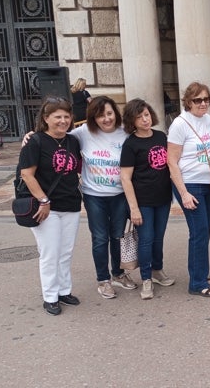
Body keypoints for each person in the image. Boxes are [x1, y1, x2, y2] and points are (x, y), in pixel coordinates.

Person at [18, 97, 82, 316]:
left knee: (65, 252)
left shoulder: (73, 141)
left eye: (66, 116)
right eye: (58, 117)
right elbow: (26, 174)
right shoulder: (35, 141)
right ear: (46, 118)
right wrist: (44, 200)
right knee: (49, 253)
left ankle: (64, 290)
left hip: (71, 204)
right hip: (47, 207)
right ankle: (50, 296)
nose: (63, 121)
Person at [74, 96, 138, 299]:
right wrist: (31, 136)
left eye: (109, 113)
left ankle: (118, 273)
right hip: (94, 196)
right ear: (93, 118)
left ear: (115, 114)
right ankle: (103, 279)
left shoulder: (125, 133)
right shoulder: (83, 133)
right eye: (100, 115)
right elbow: (55, 137)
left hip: (119, 195)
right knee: (100, 238)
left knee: (117, 235)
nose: (106, 119)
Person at [167, 82, 210, 298]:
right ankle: (197, 283)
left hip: (209, 183)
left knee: (204, 231)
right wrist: (183, 193)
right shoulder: (180, 124)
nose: (203, 103)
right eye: (198, 100)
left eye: (206, 99)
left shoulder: (209, 120)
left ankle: (201, 273)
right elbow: (171, 161)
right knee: (198, 232)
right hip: (190, 184)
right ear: (188, 102)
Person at [120, 99, 174, 300]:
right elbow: (125, 178)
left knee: (158, 237)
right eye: (139, 116)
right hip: (142, 201)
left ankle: (157, 270)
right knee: (146, 239)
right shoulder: (131, 144)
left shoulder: (161, 136)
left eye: (147, 114)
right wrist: (133, 208)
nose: (145, 119)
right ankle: (146, 278)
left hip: (163, 197)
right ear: (131, 121)